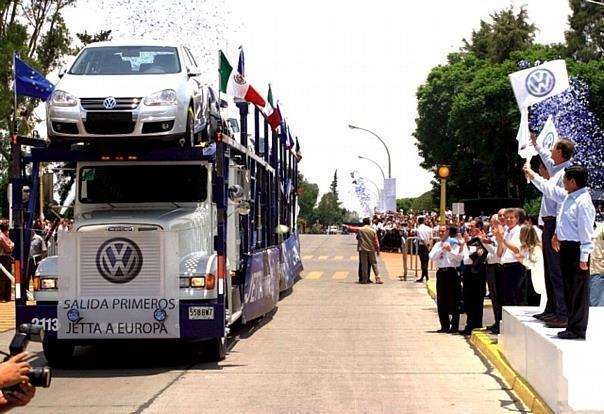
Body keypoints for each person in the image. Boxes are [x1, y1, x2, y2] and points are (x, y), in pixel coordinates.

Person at [524, 135, 575, 327]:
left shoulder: (564, 174)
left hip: (555, 223)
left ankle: (562, 312)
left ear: (561, 152)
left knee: (556, 270)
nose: (551, 152)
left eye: (554, 149)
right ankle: (552, 307)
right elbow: (545, 156)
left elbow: (553, 193)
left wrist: (533, 176)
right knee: (549, 270)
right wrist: (536, 144)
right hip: (548, 223)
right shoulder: (557, 170)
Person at [553, 166, 596, 340]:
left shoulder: (583, 202)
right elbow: (565, 222)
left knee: (578, 290)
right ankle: (571, 324)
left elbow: (586, 231)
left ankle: (578, 328)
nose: (563, 183)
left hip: (577, 248)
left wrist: (584, 256)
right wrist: (557, 234)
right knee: (569, 289)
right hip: (567, 247)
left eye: (565, 179)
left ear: (572, 181)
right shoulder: (570, 199)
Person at [429, 225, 464, 333]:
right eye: (439, 231)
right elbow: (432, 257)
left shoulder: (454, 243)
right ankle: (444, 325)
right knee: (441, 300)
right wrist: (441, 250)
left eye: (443, 231)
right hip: (441, 272)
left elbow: (459, 258)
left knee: (454, 300)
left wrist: (449, 250)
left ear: (448, 232)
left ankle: (454, 326)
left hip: (452, 272)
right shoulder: (438, 244)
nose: (441, 233)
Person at [494, 208, 526, 306]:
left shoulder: (520, 230)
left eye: (511, 218)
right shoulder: (506, 231)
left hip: (516, 266)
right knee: (506, 298)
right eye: (506, 218)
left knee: (517, 296)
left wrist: (503, 239)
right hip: (505, 266)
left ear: (517, 219)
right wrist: (500, 241)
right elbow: (499, 253)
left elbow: (517, 249)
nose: (508, 220)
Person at [460, 219, 487, 335]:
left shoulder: (480, 240)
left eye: (472, 226)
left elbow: (477, 255)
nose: (469, 229)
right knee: (468, 299)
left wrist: (468, 243)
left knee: (476, 299)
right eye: (469, 226)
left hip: (476, 272)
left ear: (479, 227)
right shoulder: (469, 240)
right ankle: (469, 323)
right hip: (467, 271)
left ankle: (475, 324)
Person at [351, 218, 383, 285]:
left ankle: (364, 279)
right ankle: (378, 278)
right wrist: (378, 250)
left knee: (364, 264)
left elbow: (353, 229)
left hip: (363, 249)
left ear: (363, 222)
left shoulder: (360, 229)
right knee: (374, 263)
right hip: (371, 248)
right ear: (369, 222)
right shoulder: (373, 230)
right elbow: (376, 241)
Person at [23, 228, 47, 301]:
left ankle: (38, 296)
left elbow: (44, 250)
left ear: (33, 230)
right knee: (26, 279)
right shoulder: (25, 238)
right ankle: (26, 296)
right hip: (27, 261)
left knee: (35, 278)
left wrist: (41, 261)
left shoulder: (39, 238)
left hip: (36, 260)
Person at [415, 216, 433, 283]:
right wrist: (429, 246)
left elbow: (422, 240)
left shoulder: (419, 229)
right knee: (426, 262)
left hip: (422, 246)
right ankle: (424, 276)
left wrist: (426, 246)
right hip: (428, 245)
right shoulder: (429, 228)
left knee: (423, 263)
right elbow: (431, 238)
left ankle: (425, 276)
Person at [0, 222, 14, 303]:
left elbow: (11, 245)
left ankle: (7, 296)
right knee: (2, 278)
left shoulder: (6, 236)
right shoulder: (1, 237)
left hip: (7, 257)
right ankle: (1, 297)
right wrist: (11, 245)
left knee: (8, 277)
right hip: (2, 258)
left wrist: (11, 245)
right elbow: (8, 248)